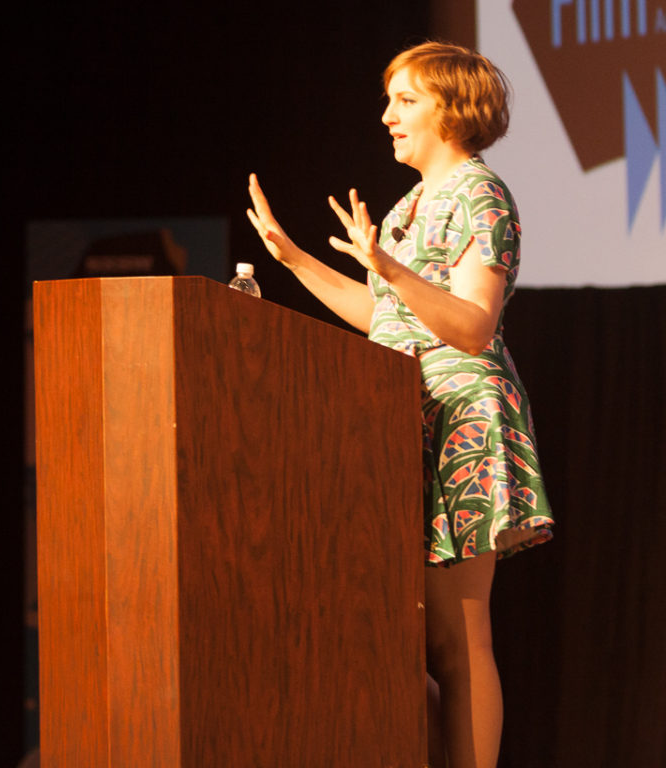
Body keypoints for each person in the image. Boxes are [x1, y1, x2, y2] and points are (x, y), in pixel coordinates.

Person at [246, 41, 554, 768]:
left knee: (457, 636)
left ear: (453, 109)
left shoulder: (483, 193)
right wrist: (294, 259)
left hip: (459, 417)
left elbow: (472, 326)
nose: (387, 116)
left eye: (405, 100)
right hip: (399, 413)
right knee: (404, 637)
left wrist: (386, 267)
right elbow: (391, 320)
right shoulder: (411, 202)